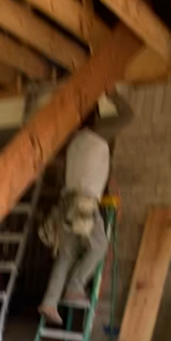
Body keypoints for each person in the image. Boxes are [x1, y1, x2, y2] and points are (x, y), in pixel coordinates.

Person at [38, 89, 133, 326]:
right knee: (100, 245)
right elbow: (128, 115)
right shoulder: (99, 131)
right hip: (84, 203)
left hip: (66, 202)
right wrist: (112, 94)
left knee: (67, 253)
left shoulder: (73, 141)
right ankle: (75, 286)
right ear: (97, 118)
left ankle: (50, 302)